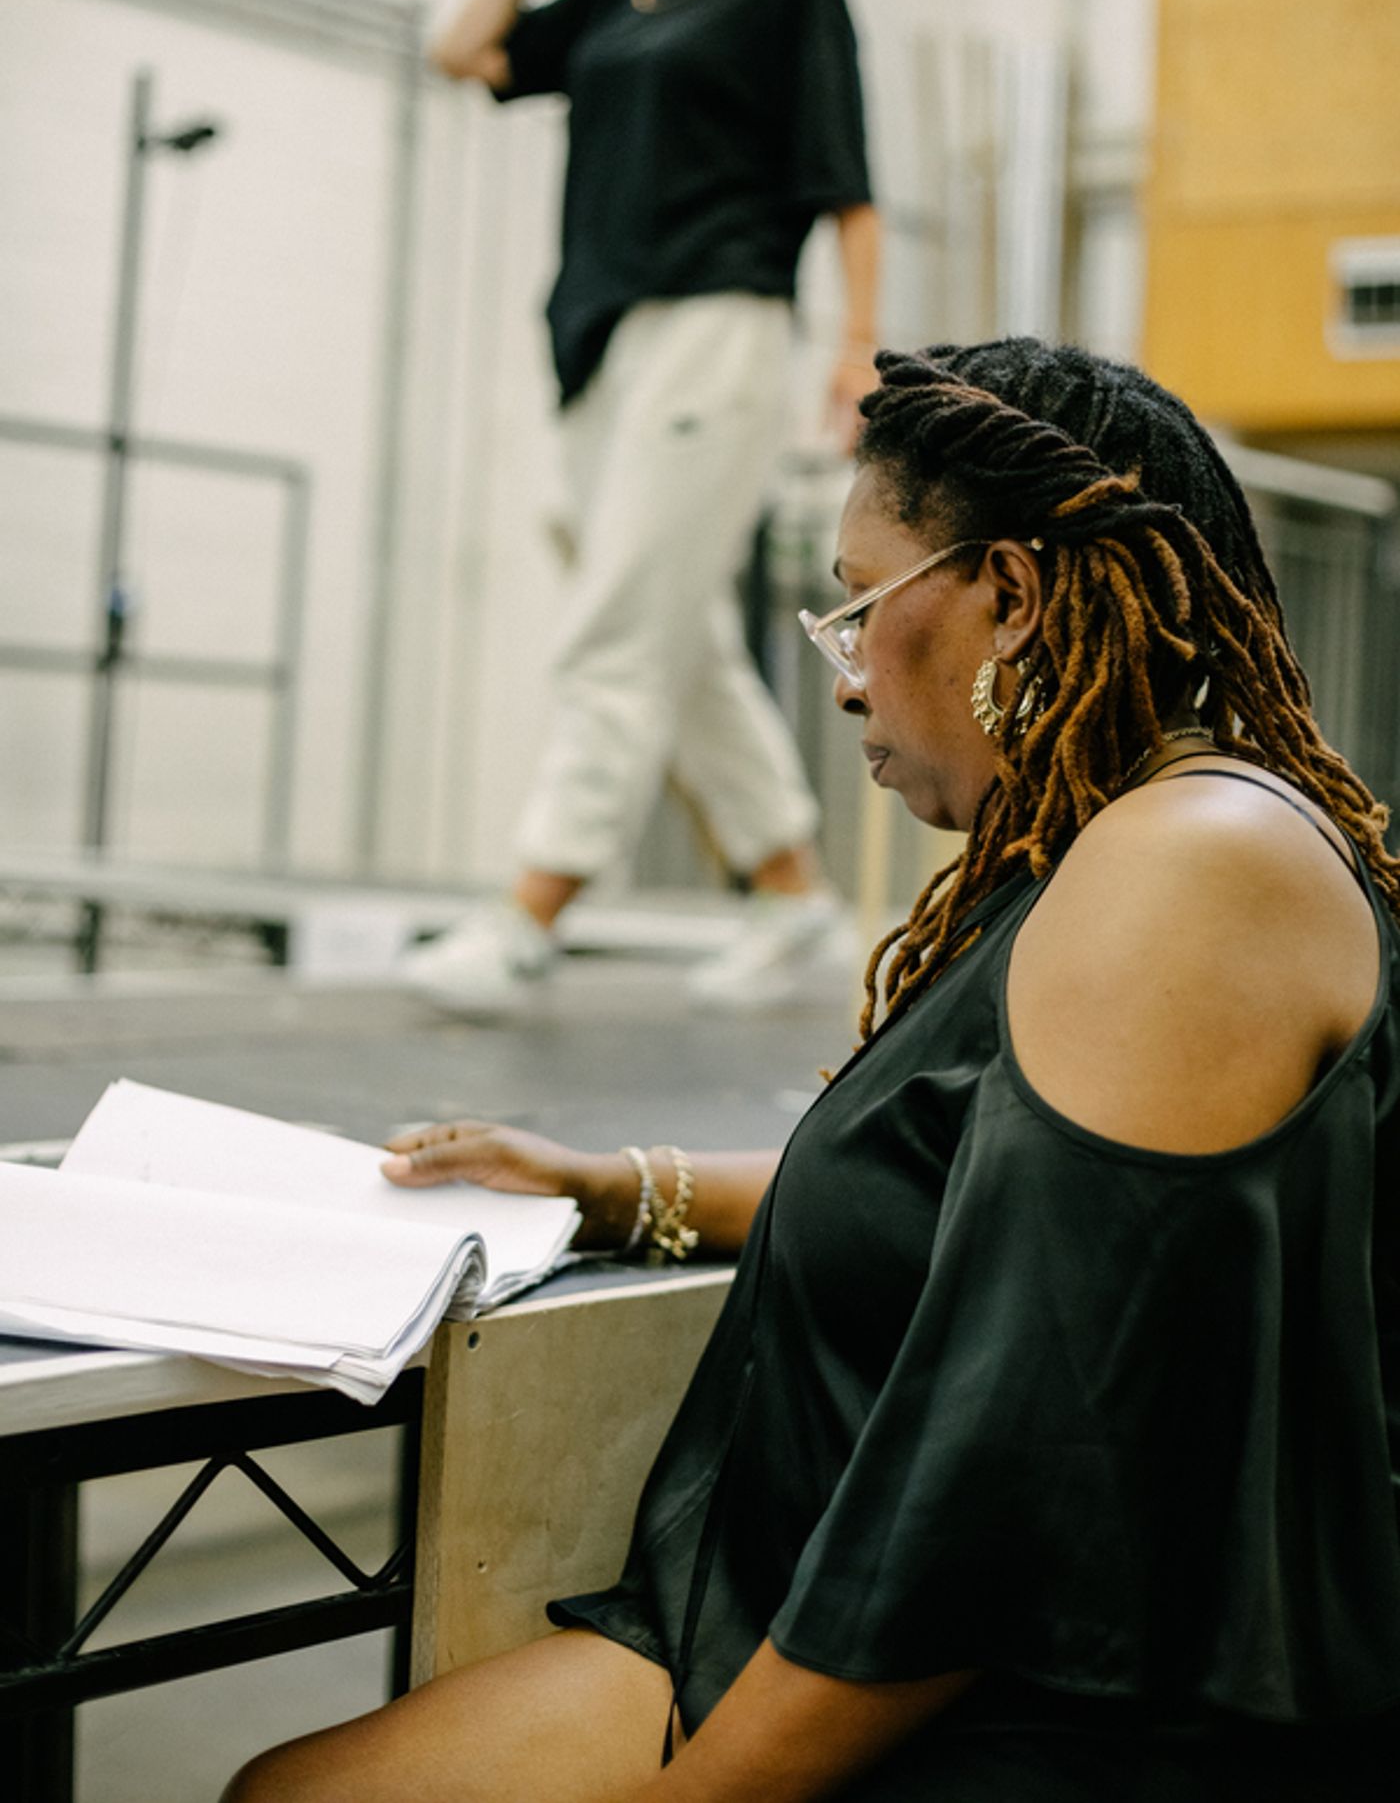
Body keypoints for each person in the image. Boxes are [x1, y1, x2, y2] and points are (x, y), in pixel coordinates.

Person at [226, 337, 1400, 1801]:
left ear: (1013, 595)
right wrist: (615, 1189)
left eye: (856, 609)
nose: (843, 685)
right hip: (839, 1618)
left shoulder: (1190, 866)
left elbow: (993, 1496)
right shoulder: (1105, 845)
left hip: (1063, 1718)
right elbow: (962, 1195)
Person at [404, 0, 879, 1018]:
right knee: (670, 622)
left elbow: (847, 181)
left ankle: (531, 911)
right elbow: (460, 49)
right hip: (594, 338)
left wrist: (854, 349)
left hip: (719, 326)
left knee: (616, 625)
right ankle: (791, 889)